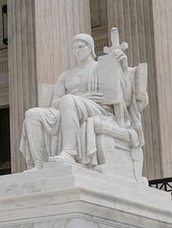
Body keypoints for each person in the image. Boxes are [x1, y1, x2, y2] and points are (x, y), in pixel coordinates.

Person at [21, 34, 133, 169]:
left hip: (98, 109)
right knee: (32, 113)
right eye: (74, 48)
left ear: (90, 48)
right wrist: (82, 98)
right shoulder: (66, 75)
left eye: (80, 47)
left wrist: (124, 68)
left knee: (68, 100)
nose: (77, 51)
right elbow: (55, 102)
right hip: (68, 107)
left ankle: (69, 152)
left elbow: (124, 96)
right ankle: (40, 163)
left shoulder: (101, 67)